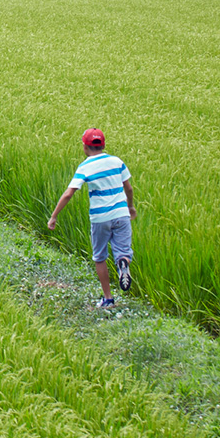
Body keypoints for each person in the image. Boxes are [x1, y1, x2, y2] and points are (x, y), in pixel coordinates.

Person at [46, 128, 136, 309]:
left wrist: (54, 216)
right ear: (103, 145)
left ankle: (108, 298)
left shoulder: (85, 167)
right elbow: (129, 188)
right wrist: (131, 206)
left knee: (100, 257)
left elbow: (69, 193)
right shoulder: (117, 162)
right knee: (123, 251)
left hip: (100, 217)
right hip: (121, 213)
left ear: (85, 147)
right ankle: (123, 263)